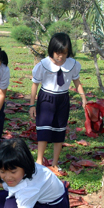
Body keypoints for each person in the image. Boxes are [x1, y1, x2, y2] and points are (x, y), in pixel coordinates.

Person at [29, 33, 88, 169]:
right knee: (43, 129)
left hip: (63, 99)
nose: (60, 57)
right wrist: (32, 104)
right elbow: (35, 85)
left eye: (64, 53)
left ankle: (55, 163)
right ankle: (39, 161)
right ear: (52, 50)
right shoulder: (43, 65)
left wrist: (83, 97)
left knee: (59, 130)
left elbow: (77, 82)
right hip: (46, 99)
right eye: (57, 53)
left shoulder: (72, 64)